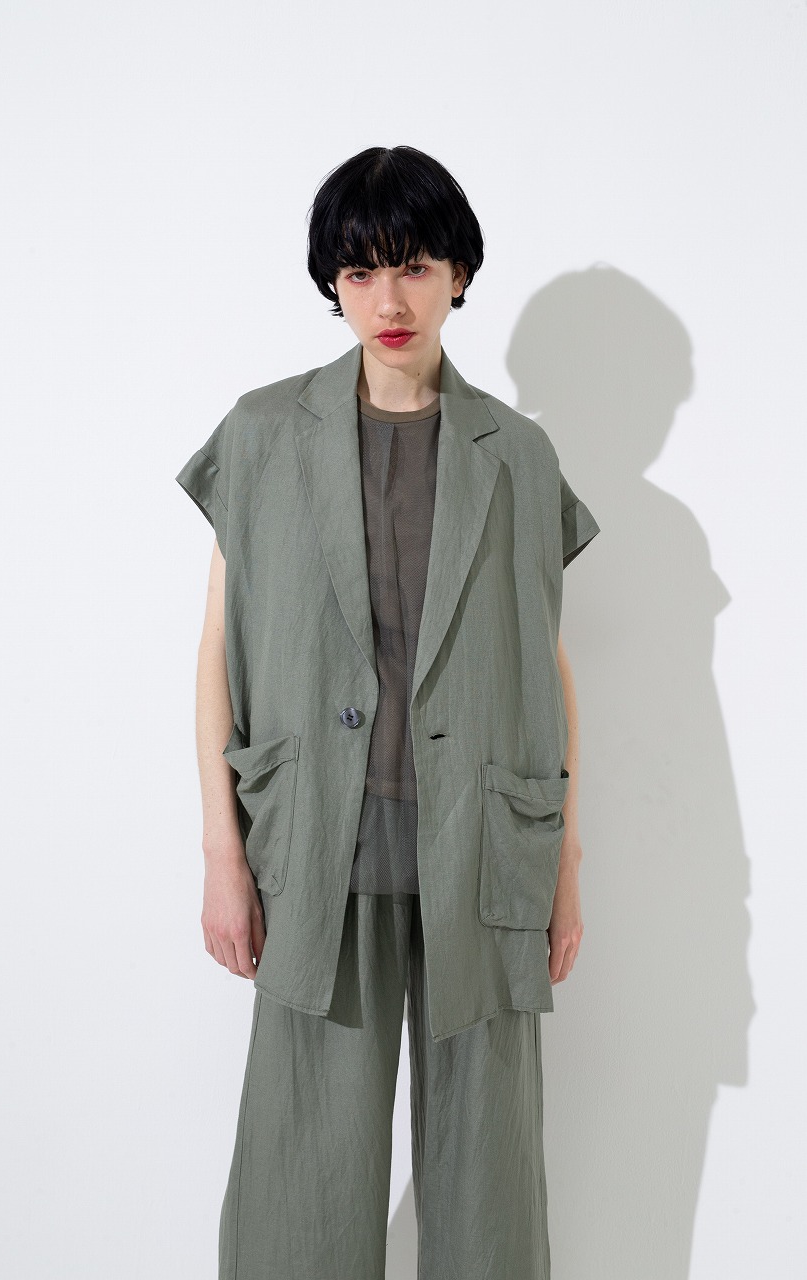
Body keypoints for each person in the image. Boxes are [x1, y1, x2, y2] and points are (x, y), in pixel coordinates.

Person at [176, 145, 600, 1280]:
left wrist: (564, 862)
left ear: (458, 271)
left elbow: (547, 660)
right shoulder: (263, 434)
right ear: (333, 282)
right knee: (302, 1179)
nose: (389, 301)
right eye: (360, 272)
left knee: (486, 1179)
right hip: (317, 838)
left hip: (484, 846)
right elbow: (219, 648)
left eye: (412, 266)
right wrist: (222, 851)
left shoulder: (517, 454)